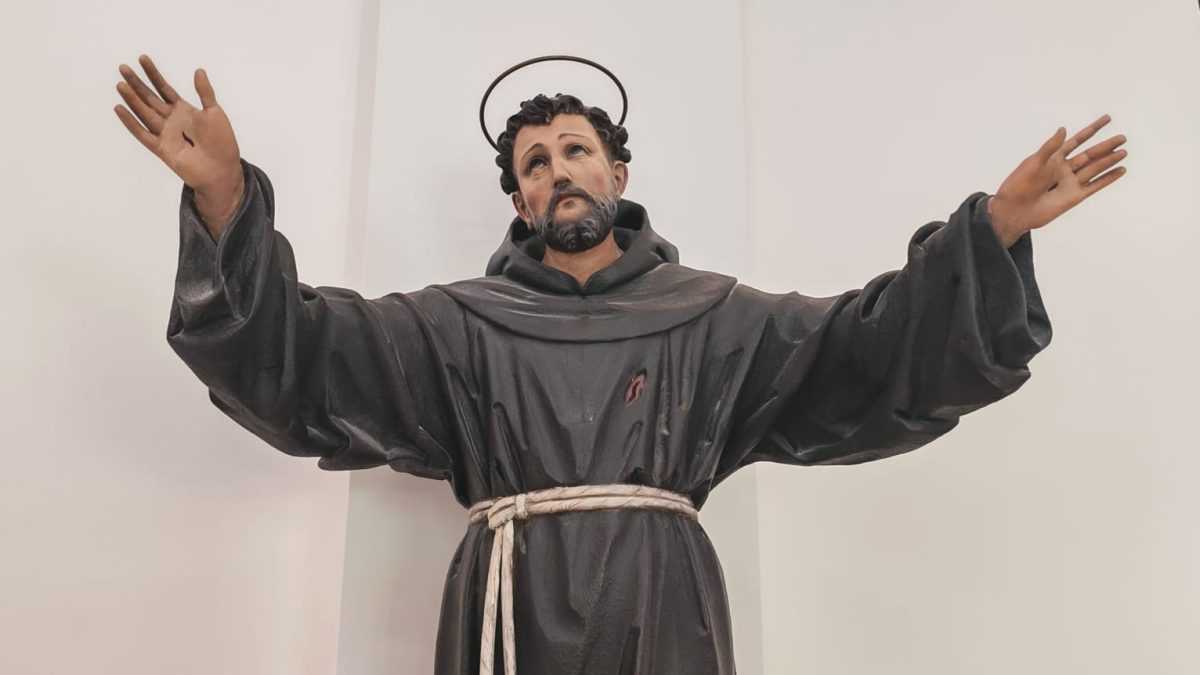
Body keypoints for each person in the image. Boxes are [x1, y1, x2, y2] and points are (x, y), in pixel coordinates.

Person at [113, 53, 1127, 675]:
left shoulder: (716, 321)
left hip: (663, 607)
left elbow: (870, 349)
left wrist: (991, 232)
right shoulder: (456, 328)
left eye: (574, 150)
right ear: (520, 203)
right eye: (535, 164)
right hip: (508, 610)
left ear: (618, 171)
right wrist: (224, 199)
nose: (557, 170)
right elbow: (298, 360)